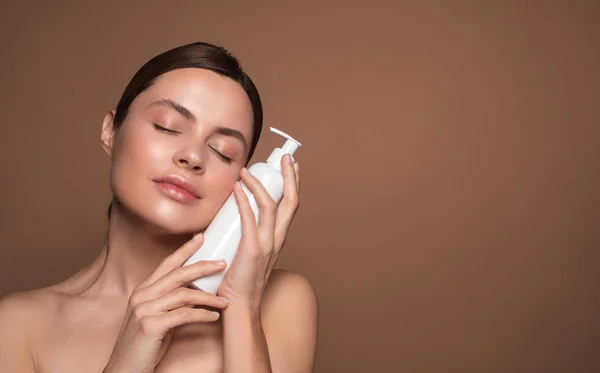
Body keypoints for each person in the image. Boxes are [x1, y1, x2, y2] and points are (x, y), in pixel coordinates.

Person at [0, 42, 318, 373]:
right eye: (167, 126)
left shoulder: (281, 302)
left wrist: (241, 309)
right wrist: (125, 362)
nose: (193, 157)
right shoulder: (19, 327)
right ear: (111, 131)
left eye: (223, 151)